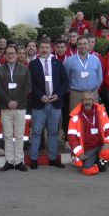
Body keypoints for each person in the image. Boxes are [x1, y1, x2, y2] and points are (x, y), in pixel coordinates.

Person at [28, 40, 69, 169]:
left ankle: (52, 158)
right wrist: (41, 96)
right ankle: (33, 158)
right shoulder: (33, 64)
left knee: (53, 132)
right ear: (38, 49)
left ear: (52, 49)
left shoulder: (58, 63)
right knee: (36, 131)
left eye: (47, 47)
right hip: (39, 103)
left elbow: (64, 82)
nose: (45, 50)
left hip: (55, 103)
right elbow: (31, 83)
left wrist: (58, 95)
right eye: (42, 48)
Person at [0, 45, 32, 171]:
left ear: (17, 55)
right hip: (5, 107)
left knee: (20, 135)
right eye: (8, 53)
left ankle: (19, 161)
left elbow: (27, 87)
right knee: (8, 135)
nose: (10, 55)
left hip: (20, 107)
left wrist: (16, 101)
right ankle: (9, 161)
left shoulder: (24, 69)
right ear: (5, 55)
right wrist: (8, 101)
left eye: (13, 53)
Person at [66, 91, 109, 176]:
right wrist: (79, 153)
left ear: (93, 100)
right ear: (81, 101)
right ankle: (95, 162)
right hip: (86, 149)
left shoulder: (100, 112)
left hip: (100, 146)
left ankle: (101, 162)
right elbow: (72, 138)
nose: (87, 101)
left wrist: (108, 143)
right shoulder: (75, 116)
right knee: (88, 171)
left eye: (89, 99)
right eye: (85, 99)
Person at [64, 36, 103, 112]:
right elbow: (66, 78)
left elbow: (100, 77)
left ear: (89, 45)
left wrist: (93, 90)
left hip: (92, 94)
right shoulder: (69, 61)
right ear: (77, 46)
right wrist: (71, 90)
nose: (83, 46)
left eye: (85, 44)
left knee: (93, 118)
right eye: (80, 44)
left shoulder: (95, 59)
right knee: (75, 118)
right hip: (76, 94)